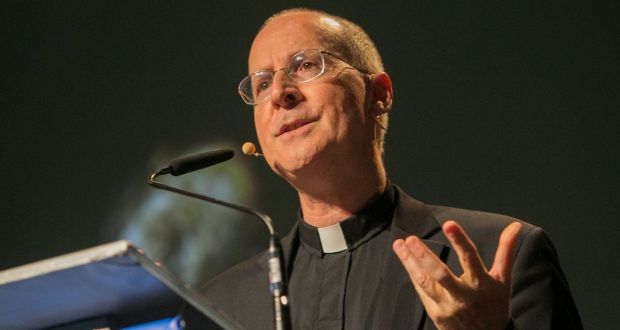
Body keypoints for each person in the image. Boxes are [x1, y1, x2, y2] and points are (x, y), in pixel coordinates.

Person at [199, 8, 582, 329]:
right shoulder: (218, 307)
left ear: (378, 95)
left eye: (306, 65)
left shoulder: (499, 258)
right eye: (262, 84)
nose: (281, 93)